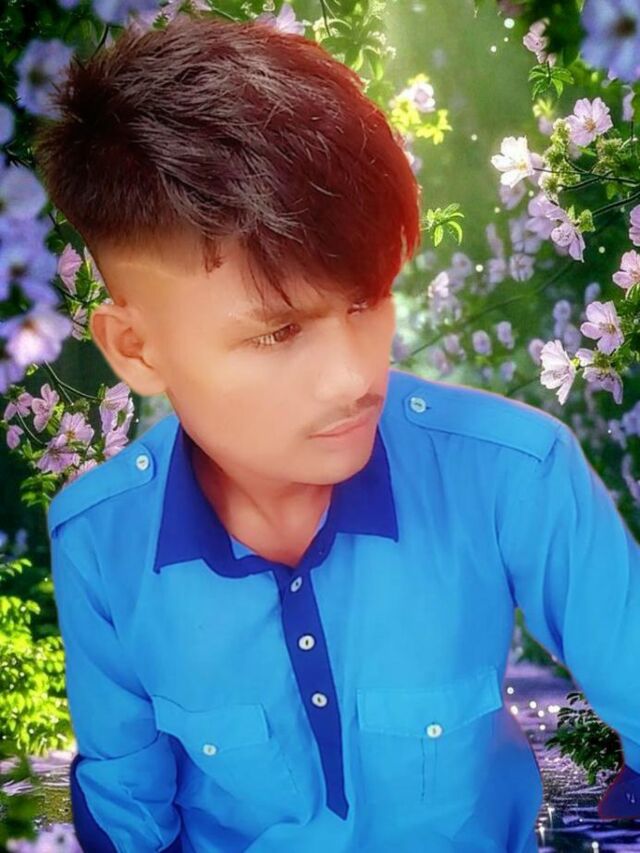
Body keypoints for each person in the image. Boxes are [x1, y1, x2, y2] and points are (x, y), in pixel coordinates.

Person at [34, 11, 640, 853]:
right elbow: (128, 815)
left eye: (366, 300)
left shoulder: (516, 474)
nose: (355, 376)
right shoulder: (101, 542)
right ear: (137, 349)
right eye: (279, 332)